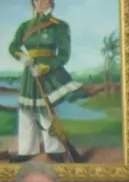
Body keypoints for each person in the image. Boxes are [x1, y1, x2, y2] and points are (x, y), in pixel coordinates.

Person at [7, 0, 85, 163]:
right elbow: (13, 46)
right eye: (37, 0)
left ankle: (54, 149)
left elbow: (63, 55)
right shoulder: (25, 26)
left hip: (48, 73)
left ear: (51, 2)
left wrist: (46, 67)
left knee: (47, 110)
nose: (41, 2)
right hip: (29, 72)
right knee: (26, 111)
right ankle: (27, 150)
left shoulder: (60, 26)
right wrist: (23, 57)